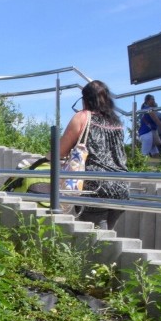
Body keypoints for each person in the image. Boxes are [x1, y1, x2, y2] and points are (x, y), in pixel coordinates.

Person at [57, 80, 129, 230]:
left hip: (95, 188)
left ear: (85, 99)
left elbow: (60, 151)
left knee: (96, 241)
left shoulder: (82, 117)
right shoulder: (116, 122)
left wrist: (48, 156)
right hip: (121, 186)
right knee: (107, 236)